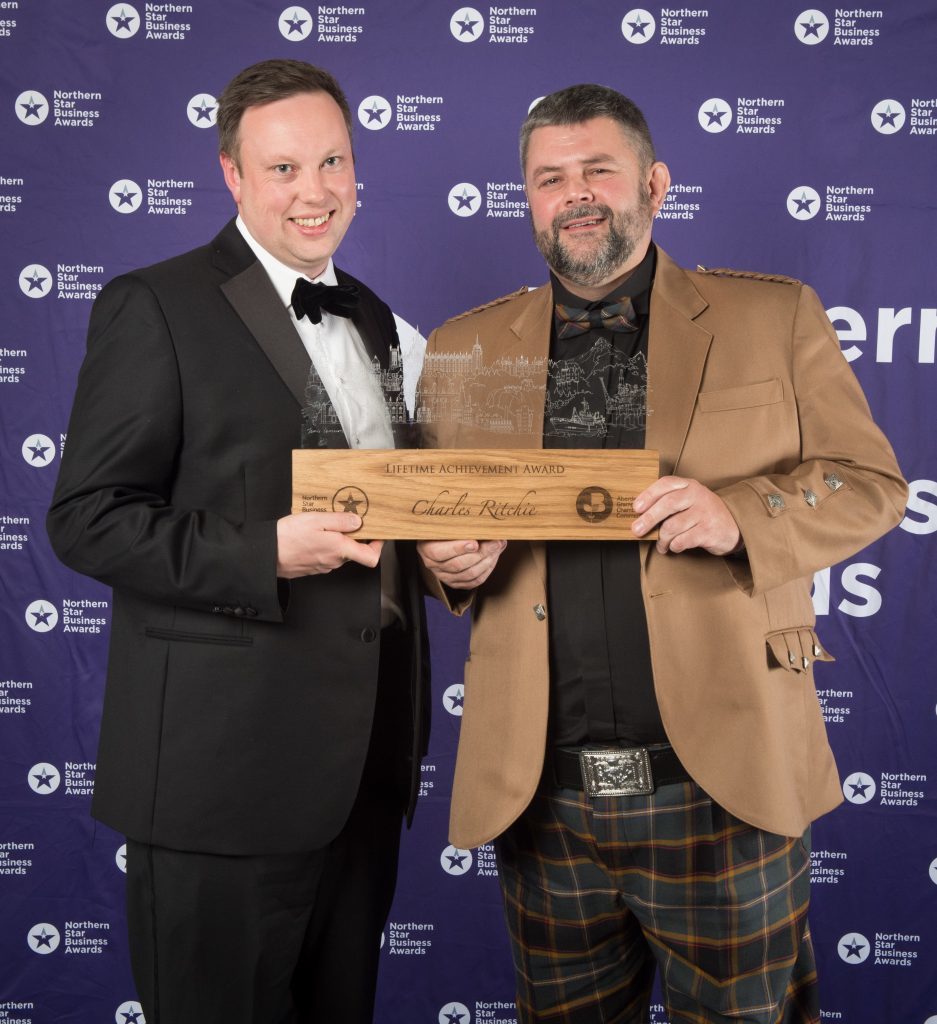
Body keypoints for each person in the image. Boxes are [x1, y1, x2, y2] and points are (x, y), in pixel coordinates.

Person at [416, 84, 906, 1023]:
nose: (577, 193)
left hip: (724, 783)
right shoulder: (464, 349)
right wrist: (450, 562)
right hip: (542, 798)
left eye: (599, 168)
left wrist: (741, 515)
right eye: (550, 178)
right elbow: (439, 533)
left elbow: (870, 482)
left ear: (655, 182)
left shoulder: (773, 316)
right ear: (527, 199)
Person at [46, 59, 428, 1024]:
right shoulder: (157, 304)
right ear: (232, 176)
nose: (315, 191)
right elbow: (87, 516)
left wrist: (442, 553)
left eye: (332, 162)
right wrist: (264, 553)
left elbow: (381, 516)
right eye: (285, 168)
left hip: (363, 772)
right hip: (222, 780)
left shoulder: (378, 319)